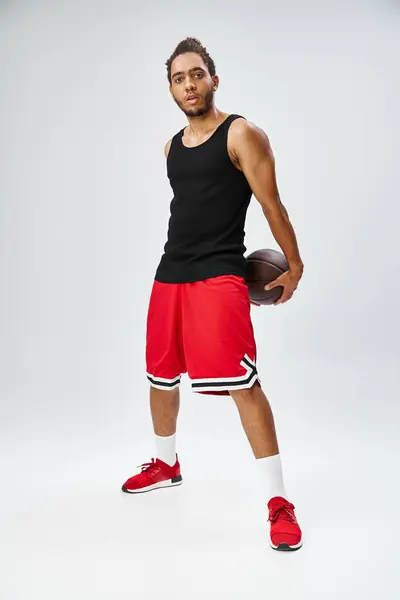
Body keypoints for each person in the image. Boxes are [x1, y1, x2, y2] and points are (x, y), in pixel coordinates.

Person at [122, 38, 304, 552]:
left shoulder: (241, 134)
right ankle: (166, 463)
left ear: (214, 79)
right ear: (171, 88)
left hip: (220, 274)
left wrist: (296, 265)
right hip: (169, 274)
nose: (188, 85)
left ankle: (279, 502)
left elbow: (272, 206)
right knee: (160, 375)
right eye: (179, 78)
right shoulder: (170, 147)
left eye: (196, 74)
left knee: (243, 385)